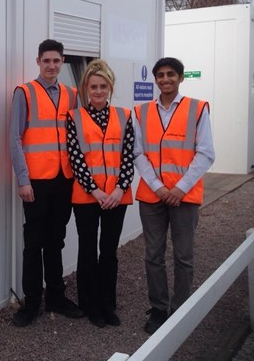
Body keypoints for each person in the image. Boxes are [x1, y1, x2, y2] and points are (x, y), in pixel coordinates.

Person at [134, 57, 215, 334]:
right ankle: (158, 309)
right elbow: (138, 153)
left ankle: (180, 310)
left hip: (184, 196)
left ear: (180, 78)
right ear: (155, 79)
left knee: (184, 256)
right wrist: (158, 187)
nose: (165, 79)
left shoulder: (197, 109)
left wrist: (179, 188)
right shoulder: (141, 112)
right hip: (152, 196)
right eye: (160, 75)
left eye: (170, 75)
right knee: (153, 256)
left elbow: (205, 154)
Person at [9, 39, 85, 327]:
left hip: (64, 180)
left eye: (57, 61)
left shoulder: (71, 94)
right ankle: (31, 304)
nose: (52, 65)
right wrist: (23, 180)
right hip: (36, 183)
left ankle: (56, 297)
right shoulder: (25, 92)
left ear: (63, 62)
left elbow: (77, 137)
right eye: (46, 61)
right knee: (33, 244)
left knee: (56, 241)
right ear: (38, 62)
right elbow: (15, 138)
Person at [65, 59, 134, 328]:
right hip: (86, 197)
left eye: (103, 86)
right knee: (86, 250)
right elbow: (76, 158)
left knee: (108, 251)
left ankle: (108, 304)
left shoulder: (125, 115)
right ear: (85, 89)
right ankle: (90, 305)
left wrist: (119, 189)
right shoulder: (74, 118)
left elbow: (128, 155)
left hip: (117, 197)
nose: (98, 91)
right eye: (93, 86)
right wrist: (95, 191)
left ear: (110, 87)